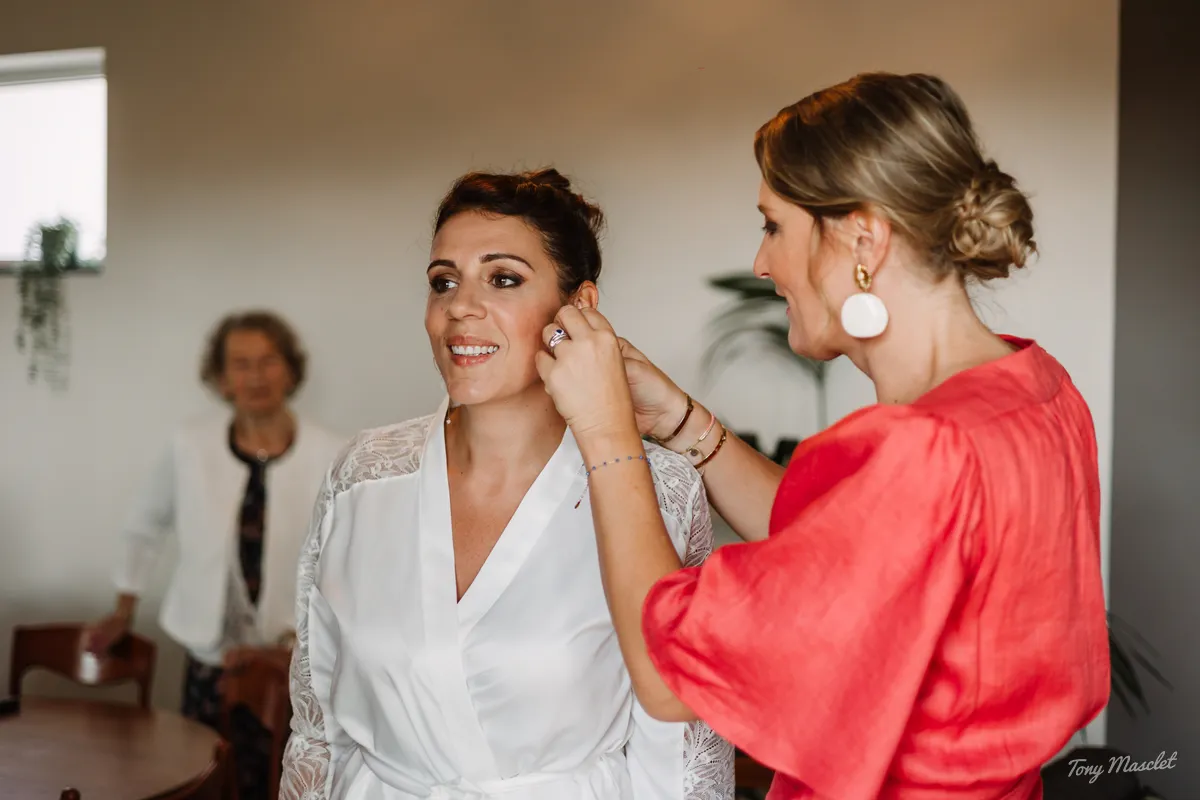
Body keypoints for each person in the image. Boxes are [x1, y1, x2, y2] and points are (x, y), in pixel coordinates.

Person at [534, 73, 1110, 799]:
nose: (761, 263)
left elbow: (668, 678)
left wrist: (605, 433)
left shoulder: (923, 450)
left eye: (774, 226)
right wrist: (683, 423)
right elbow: (855, 560)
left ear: (862, 237)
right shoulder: (1038, 392)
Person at [279, 169, 734, 800]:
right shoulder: (362, 473)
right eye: (444, 282)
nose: (460, 307)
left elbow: (680, 749)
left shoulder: (659, 488)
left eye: (504, 279)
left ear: (580, 309)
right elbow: (318, 725)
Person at [85, 310, 345, 800]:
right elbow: (144, 524)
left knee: (285, 782)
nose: (255, 376)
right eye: (240, 364)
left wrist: (301, 640)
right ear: (221, 378)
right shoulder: (190, 444)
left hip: (291, 661)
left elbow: (350, 558)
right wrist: (124, 609)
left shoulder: (332, 451)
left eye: (268, 361)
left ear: (290, 370)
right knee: (206, 779)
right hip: (210, 655)